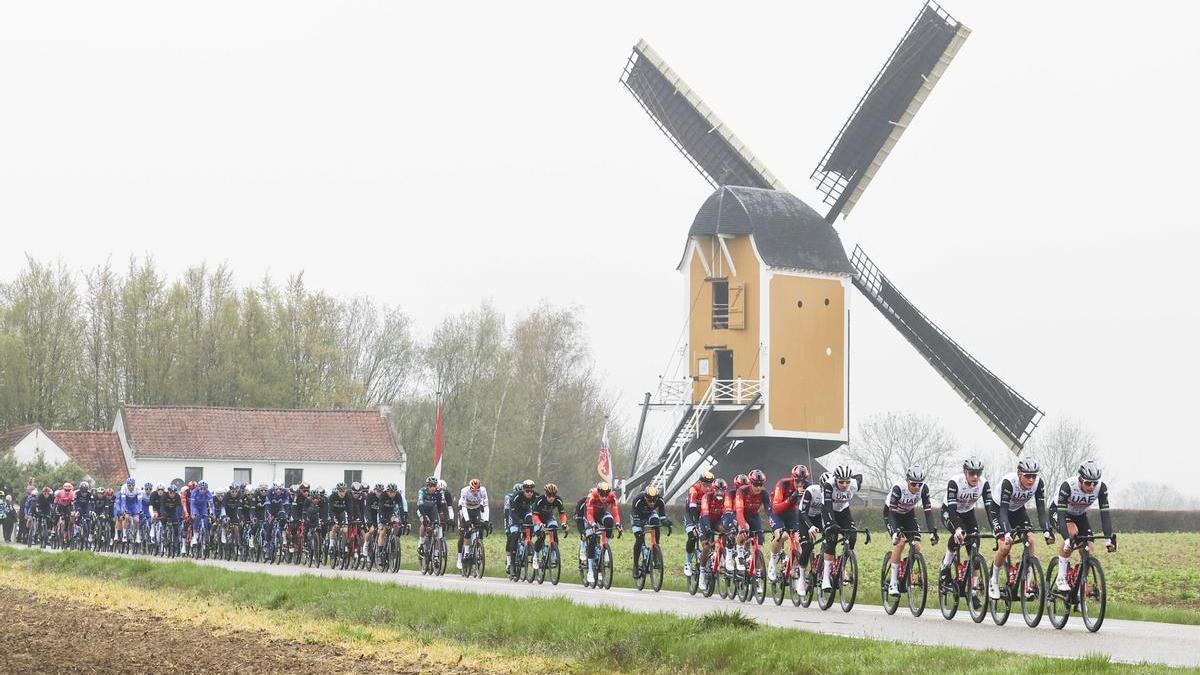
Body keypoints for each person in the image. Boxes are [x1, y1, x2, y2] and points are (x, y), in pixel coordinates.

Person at [987, 457, 1052, 600]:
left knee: (1031, 539)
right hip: (998, 511)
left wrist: (1047, 530)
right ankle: (993, 580)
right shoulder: (1009, 483)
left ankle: (1027, 583)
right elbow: (1003, 511)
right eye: (1027, 476)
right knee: (1005, 547)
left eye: (1034, 476)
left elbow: (1041, 511)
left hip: (1017, 511)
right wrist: (1007, 532)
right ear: (1019, 474)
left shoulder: (1038, 484)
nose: (1031, 480)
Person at [1051, 460, 1116, 592]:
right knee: (1072, 532)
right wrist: (1067, 538)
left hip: (1080, 515)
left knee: (1089, 549)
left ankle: (1079, 590)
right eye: (1088, 483)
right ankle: (1061, 577)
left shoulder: (1101, 488)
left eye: (1095, 483)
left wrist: (1109, 539)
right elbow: (1062, 515)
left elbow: (1105, 515)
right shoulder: (1068, 486)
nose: (1092, 487)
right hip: (1060, 512)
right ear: (1080, 479)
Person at [882, 465, 940, 596]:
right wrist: (896, 531)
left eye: (919, 484)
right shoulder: (899, 488)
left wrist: (932, 531)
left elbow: (928, 512)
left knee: (917, 546)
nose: (916, 487)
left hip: (908, 514)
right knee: (900, 542)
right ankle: (893, 581)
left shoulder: (923, 489)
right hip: (892, 514)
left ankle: (906, 571)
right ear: (908, 481)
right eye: (913, 484)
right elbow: (891, 512)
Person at [940, 457, 992, 580]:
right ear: (965, 472)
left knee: (974, 542)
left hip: (968, 513)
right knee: (959, 535)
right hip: (950, 511)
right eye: (972, 473)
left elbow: (990, 509)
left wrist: (996, 527)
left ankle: (973, 589)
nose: (975, 477)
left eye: (978, 473)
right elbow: (952, 509)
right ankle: (945, 565)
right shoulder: (955, 482)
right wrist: (957, 528)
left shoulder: (983, 484)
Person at [821, 465, 864, 591]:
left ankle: (842, 566)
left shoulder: (854, 484)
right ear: (835, 480)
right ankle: (825, 578)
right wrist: (831, 525)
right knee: (832, 538)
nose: (845, 485)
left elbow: (860, 477)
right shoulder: (829, 485)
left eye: (847, 482)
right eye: (841, 482)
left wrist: (855, 478)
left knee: (853, 535)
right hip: (829, 511)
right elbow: (827, 507)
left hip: (844, 510)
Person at [768, 464, 810, 582]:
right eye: (797, 481)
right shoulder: (783, 484)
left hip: (792, 513)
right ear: (793, 478)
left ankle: (794, 569)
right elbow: (776, 508)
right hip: (777, 513)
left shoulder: (808, 486)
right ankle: (772, 562)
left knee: (800, 540)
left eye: (803, 481)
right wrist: (792, 497)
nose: (800, 484)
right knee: (782, 536)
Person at [583, 481, 621, 585]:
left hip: (602, 515)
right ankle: (590, 570)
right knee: (592, 536)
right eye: (602, 495)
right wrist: (593, 524)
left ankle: (605, 545)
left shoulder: (612, 497)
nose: (604, 497)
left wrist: (617, 523)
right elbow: (589, 514)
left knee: (609, 521)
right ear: (598, 492)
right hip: (591, 517)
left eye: (606, 495)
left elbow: (615, 512)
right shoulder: (592, 496)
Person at [733, 469, 768, 572]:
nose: (758, 488)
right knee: (744, 530)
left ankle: (756, 574)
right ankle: (739, 555)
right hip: (741, 515)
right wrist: (743, 526)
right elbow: (739, 511)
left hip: (754, 516)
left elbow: (769, 511)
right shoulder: (742, 490)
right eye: (756, 485)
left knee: (759, 547)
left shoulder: (764, 493)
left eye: (760, 485)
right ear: (750, 483)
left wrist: (774, 526)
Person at [697, 478, 734, 576]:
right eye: (717, 490)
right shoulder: (706, 497)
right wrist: (708, 529)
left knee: (725, 532)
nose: (719, 493)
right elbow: (705, 514)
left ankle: (720, 555)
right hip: (705, 520)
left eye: (722, 490)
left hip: (717, 521)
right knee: (706, 546)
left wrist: (730, 528)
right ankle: (702, 572)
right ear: (713, 489)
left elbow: (728, 512)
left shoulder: (727, 497)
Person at [630, 486, 668, 577]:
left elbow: (662, 516)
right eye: (649, 500)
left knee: (656, 522)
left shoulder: (660, 501)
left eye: (654, 500)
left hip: (649, 514)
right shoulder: (638, 500)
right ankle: (635, 566)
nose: (652, 503)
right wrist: (639, 525)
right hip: (637, 517)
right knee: (639, 540)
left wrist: (666, 523)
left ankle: (655, 549)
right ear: (645, 498)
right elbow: (634, 515)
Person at [683, 471, 715, 577]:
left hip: (704, 514)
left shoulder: (713, 490)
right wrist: (695, 524)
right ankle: (687, 563)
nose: (707, 488)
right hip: (691, 514)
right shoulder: (694, 489)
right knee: (692, 536)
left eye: (709, 485)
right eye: (705, 485)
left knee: (710, 537)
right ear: (700, 483)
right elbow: (692, 507)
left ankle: (709, 562)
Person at [505, 480, 539, 574]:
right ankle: (512, 564)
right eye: (527, 491)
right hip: (515, 515)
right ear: (523, 490)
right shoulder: (516, 496)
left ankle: (527, 543)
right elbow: (511, 512)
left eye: (531, 491)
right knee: (514, 535)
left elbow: (539, 508)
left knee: (529, 522)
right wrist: (518, 521)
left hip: (526, 513)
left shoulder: (536, 496)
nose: (529, 493)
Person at [530, 482, 566, 570]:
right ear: (546, 494)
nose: (551, 498)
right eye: (549, 495)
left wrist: (564, 523)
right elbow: (534, 515)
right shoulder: (539, 500)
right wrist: (539, 524)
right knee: (541, 536)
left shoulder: (558, 500)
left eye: (553, 495)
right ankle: (536, 556)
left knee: (554, 530)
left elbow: (562, 514)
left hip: (549, 518)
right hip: (538, 519)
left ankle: (553, 553)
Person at [456, 479, 490, 570]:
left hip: (476, 508)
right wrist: (467, 521)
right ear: (470, 488)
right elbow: (463, 508)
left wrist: (486, 520)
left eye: (477, 490)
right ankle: (466, 552)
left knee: (480, 526)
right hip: (465, 509)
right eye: (473, 490)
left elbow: (486, 506)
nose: (475, 492)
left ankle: (478, 547)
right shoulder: (464, 491)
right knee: (466, 530)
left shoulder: (483, 490)